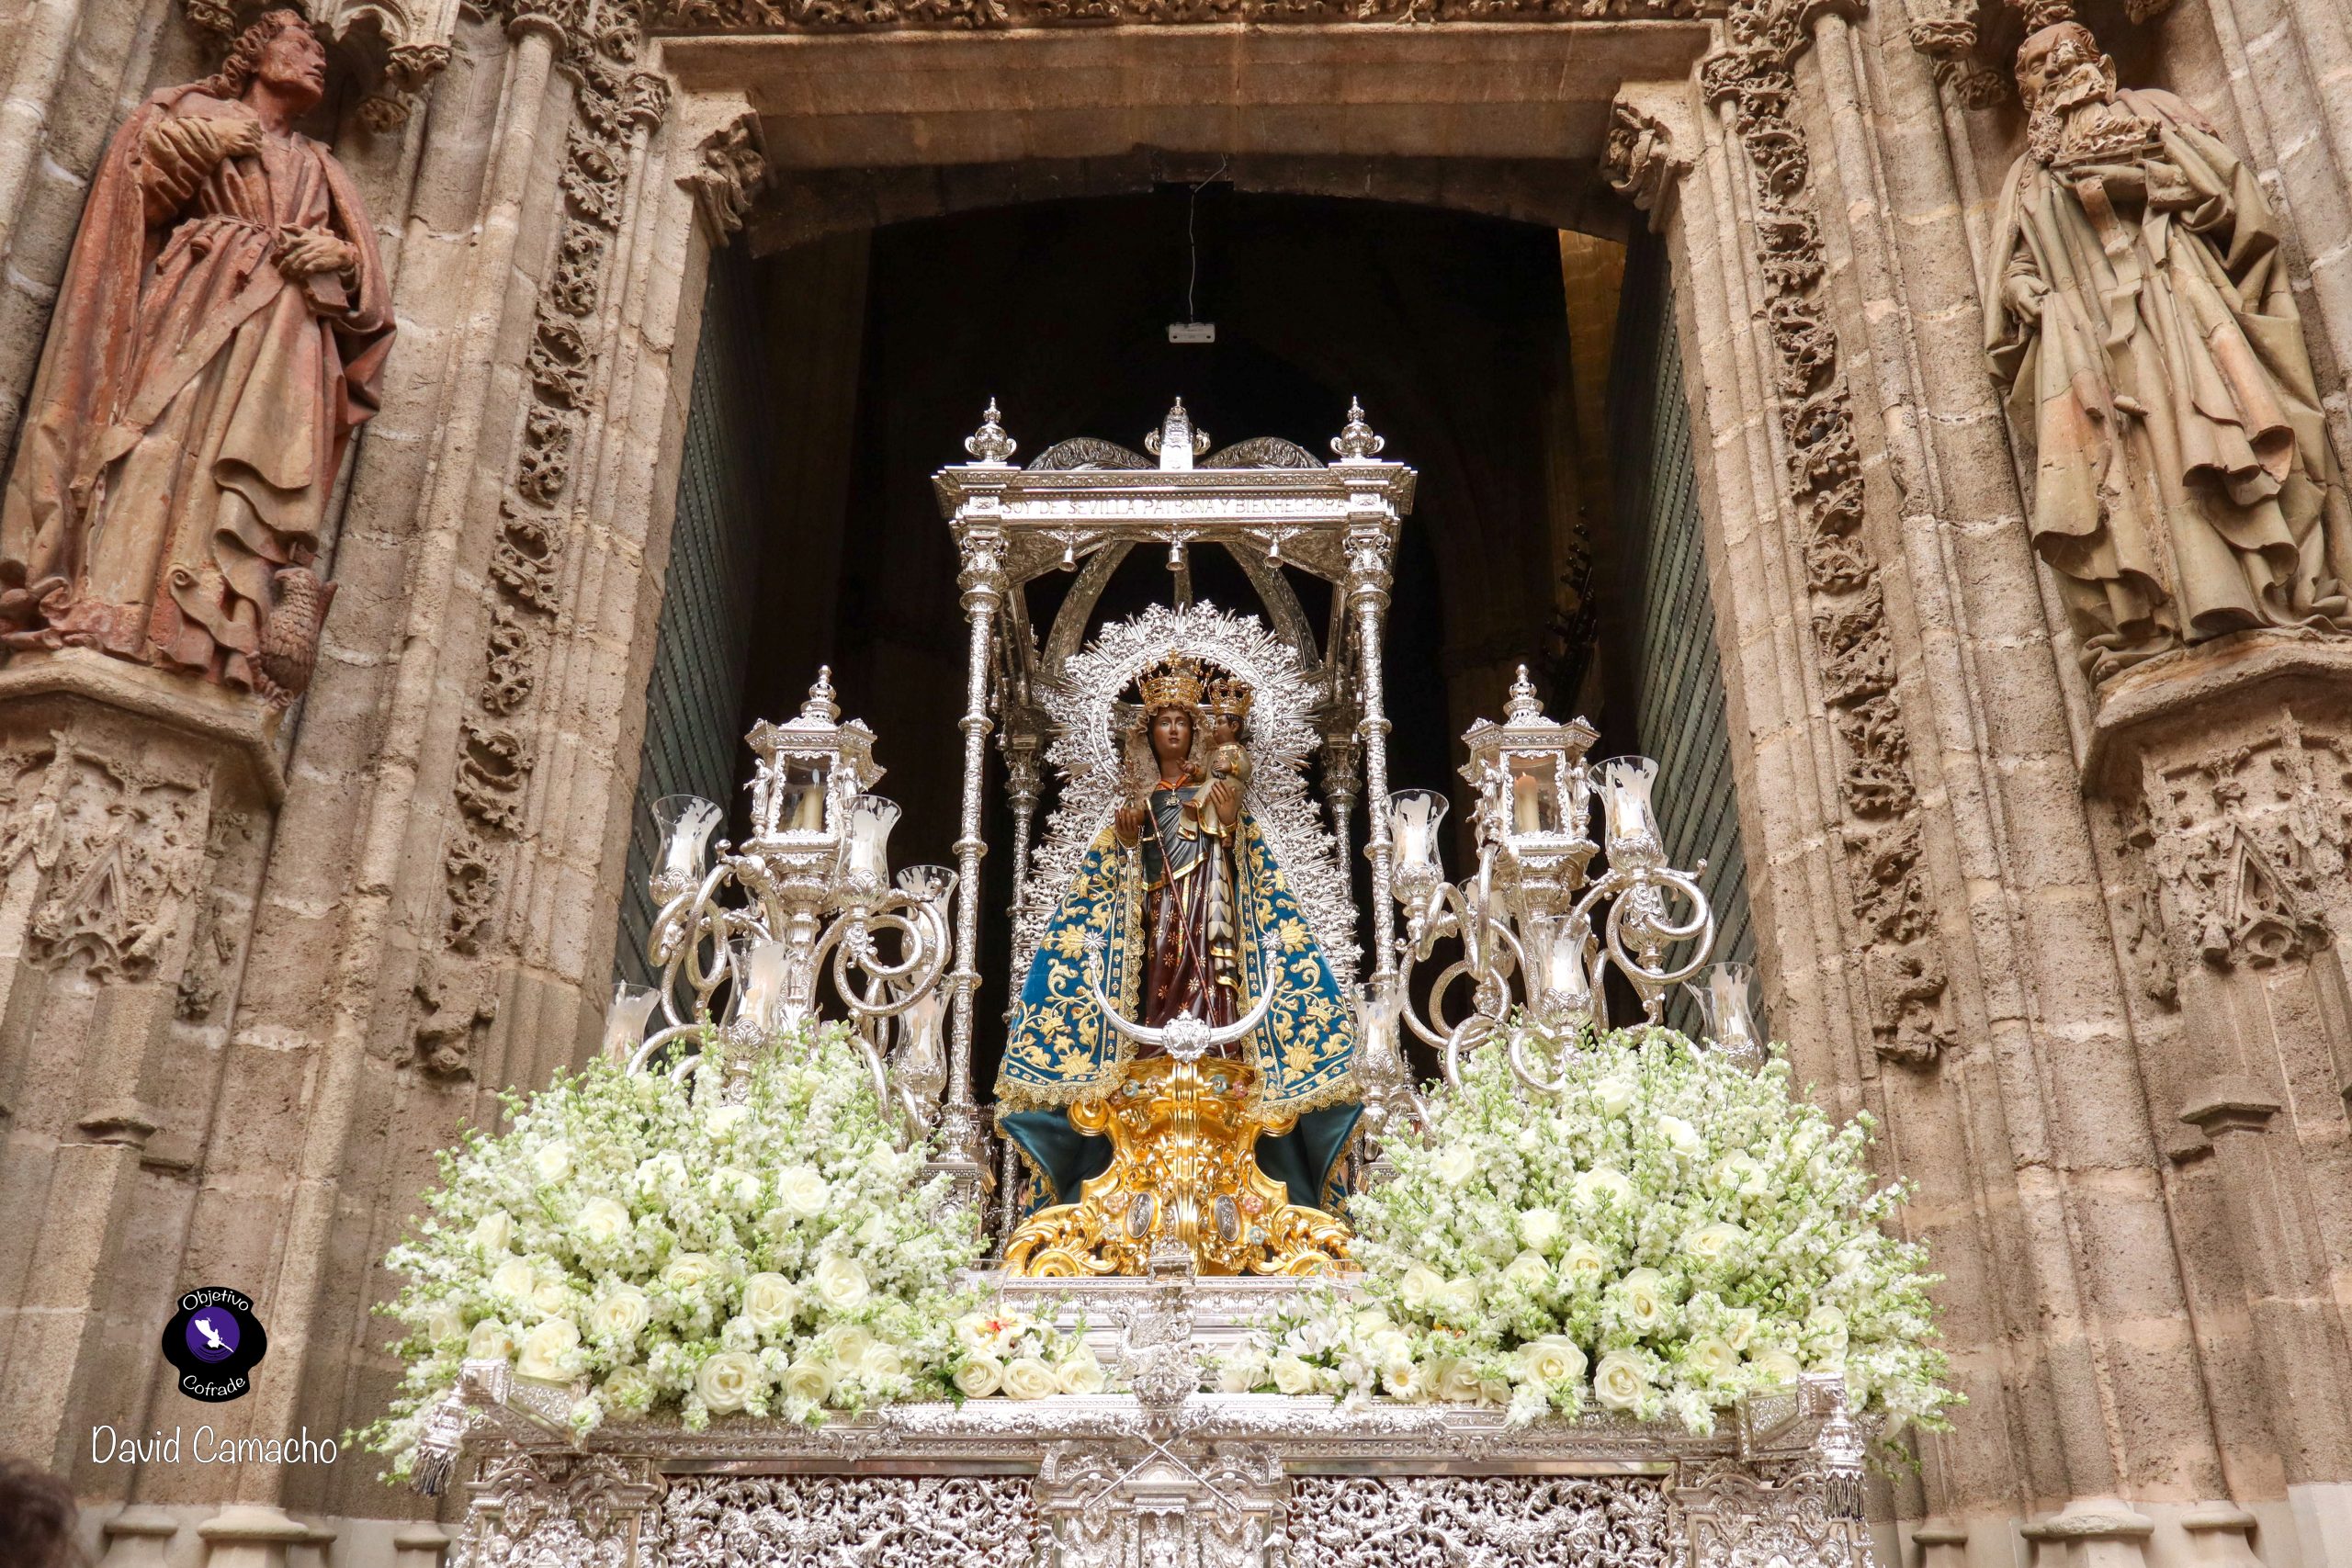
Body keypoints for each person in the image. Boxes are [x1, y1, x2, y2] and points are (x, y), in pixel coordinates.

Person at [0, 10, 393, 701]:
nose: (316, 60)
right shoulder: (191, 112)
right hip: (193, 299)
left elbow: (371, 304)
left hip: (285, 332)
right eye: (299, 44)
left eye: (320, 53)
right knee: (153, 444)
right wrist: (205, 145)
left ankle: (209, 638)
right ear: (254, 52)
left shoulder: (321, 166)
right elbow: (133, 197)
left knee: (239, 480)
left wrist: (341, 257)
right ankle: (112, 608)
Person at [1984, 21, 2352, 678]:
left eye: (2070, 54)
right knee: (2126, 476)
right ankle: (2157, 616)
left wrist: (2143, 184)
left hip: (2177, 310)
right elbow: (2012, 266)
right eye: (2039, 64)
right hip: (2089, 345)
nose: (2058, 68)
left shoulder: (2155, 115)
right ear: (2025, 89)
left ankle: (2264, 585)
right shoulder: (2025, 177)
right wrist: (2025, 293)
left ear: (2100, 61)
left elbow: (2230, 200)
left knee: (2211, 434)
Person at [997, 655, 1359, 1218]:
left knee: (1212, 977)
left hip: (1210, 904)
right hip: (1155, 911)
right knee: (1159, 980)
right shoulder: (1138, 807)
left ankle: (1219, 1044)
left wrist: (1225, 809)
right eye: (1162, 720)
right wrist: (1126, 831)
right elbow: (1114, 879)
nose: (1172, 729)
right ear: (1147, 732)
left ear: (1194, 732)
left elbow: (1238, 837)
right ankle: (1150, 1047)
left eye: (1182, 722)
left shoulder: (1211, 786)